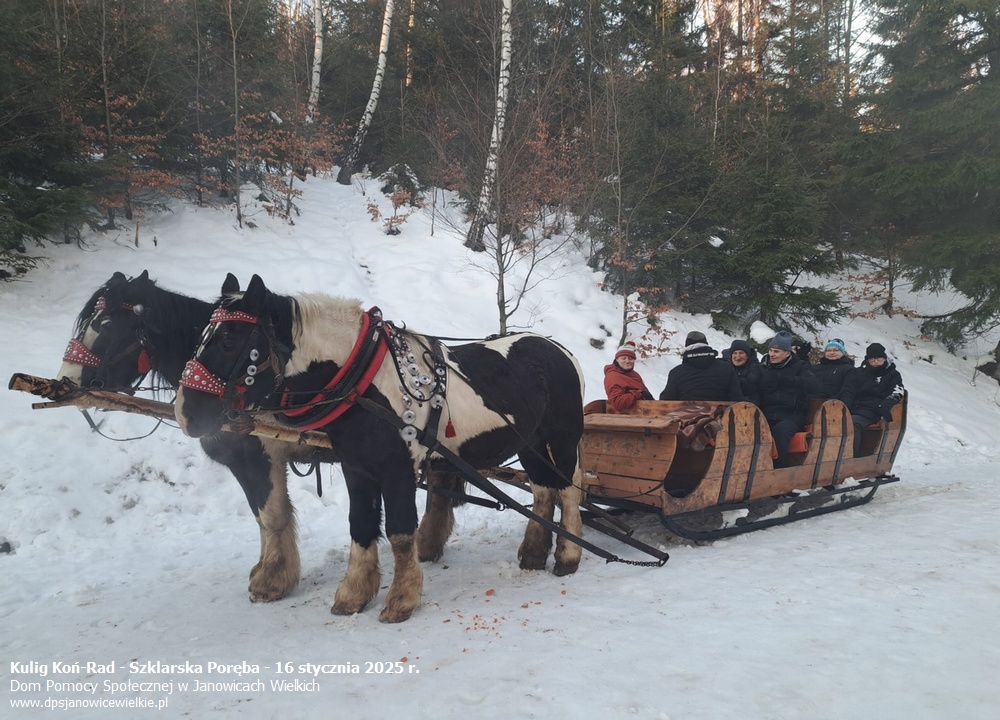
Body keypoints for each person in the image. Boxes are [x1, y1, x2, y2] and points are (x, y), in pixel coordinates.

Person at [753, 331, 820, 468]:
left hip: (791, 415)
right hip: (766, 414)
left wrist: (788, 380)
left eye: (776, 351)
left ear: (787, 353)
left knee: (780, 432)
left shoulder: (800, 366)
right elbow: (752, 386)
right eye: (771, 350)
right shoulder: (763, 368)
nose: (772, 354)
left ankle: (779, 470)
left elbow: (814, 385)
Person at [839, 342, 905, 455]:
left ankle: (851, 457)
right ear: (867, 360)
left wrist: (885, 405)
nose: (875, 362)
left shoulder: (892, 374)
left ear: (884, 359)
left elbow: (897, 392)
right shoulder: (858, 373)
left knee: (852, 424)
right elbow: (848, 390)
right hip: (854, 407)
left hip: (874, 409)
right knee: (835, 421)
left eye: (878, 359)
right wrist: (844, 407)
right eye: (872, 359)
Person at [659, 331, 743, 401]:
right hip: (720, 418)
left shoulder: (677, 372)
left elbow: (667, 401)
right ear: (706, 345)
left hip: (686, 419)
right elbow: (736, 399)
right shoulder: (726, 368)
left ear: (687, 348)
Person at [603, 341, 653, 412]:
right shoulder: (613, 376)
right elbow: (618, 403)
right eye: (623, 358)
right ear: (617, 359)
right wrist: (638, 393)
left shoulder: (635, 375)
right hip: (626, 417)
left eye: (630, 358)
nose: (627, 361)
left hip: (643, 412)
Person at [727, 339, 761, 404]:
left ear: (747, 356)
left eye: (741, 353)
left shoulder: (755, 367)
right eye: (735, 353)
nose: (737, 356)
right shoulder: (727, 366)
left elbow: (750, 387)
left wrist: (729, 378)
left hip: (748, 405)